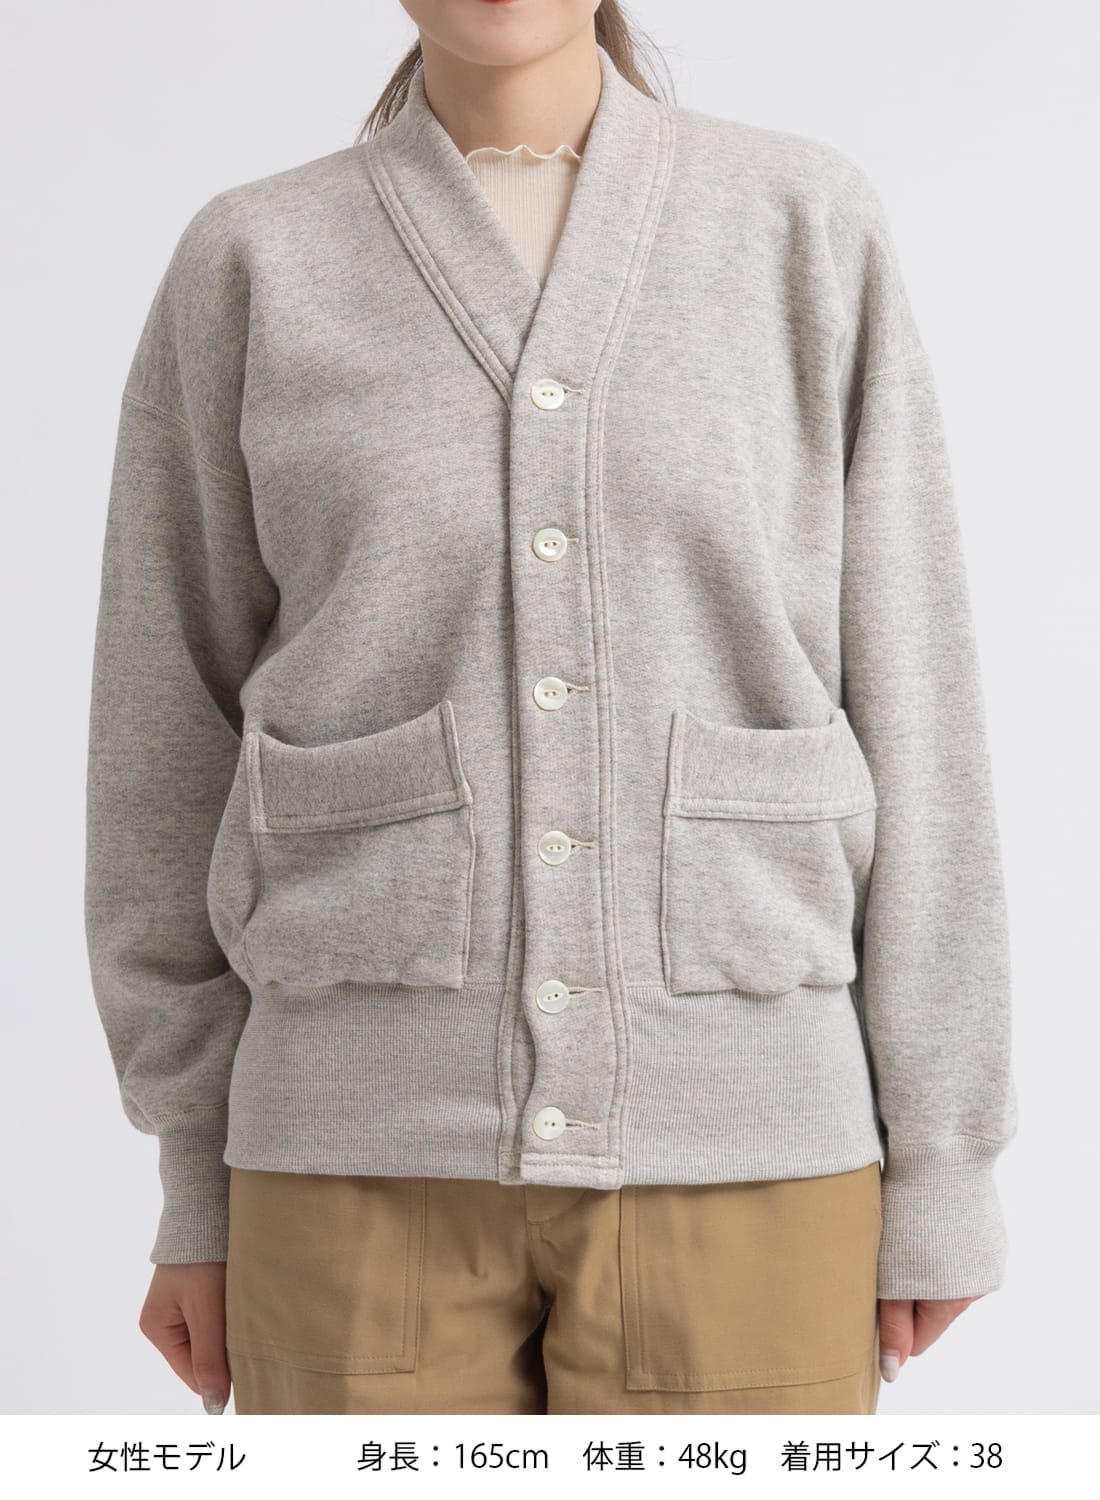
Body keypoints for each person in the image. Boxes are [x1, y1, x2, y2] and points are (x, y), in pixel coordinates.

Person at [84, 0, 1017, 1417]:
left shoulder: (799, 223)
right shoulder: (256, 258)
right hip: (349, 1159)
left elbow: (915, 683)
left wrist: (943, 1160)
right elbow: (163, 727)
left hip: (749, 1138)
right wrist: (196, 1175)